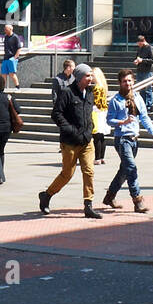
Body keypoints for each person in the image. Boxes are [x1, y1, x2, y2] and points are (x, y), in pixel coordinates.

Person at [39, 63, 100, 219]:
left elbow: (89, 114)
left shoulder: (90, 93)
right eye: (87, 76)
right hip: (70, 142)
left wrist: (90, 129)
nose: (91, 78)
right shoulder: (67, 93)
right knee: (67, 174)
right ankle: (47, 195)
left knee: (89, 171)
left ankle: (88, 205)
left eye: (91, 75)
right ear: (79, 77)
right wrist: (70, 130)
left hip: (86, 140)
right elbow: (56, 114)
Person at [103, 67, 153, 213]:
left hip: (134, 139)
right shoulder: (116, 100)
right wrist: (123, 122)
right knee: (132, 168)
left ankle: (110, 196)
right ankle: (137, 200)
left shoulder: (137, 98)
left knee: (124, 170)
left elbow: (144, 118)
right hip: (122, 140)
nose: (127, 84)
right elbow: (109, 120)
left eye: (129, 80)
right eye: (124, 81)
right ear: (119, 83)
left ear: (133, 81)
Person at [91, 66, 110, 165]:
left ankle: (97, 158)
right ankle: (102, 157)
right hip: (103, 111)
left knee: (97, 136)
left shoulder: (96, 88)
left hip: (97, 112)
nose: (91, 77)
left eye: (92, 75)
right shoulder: (103, 86)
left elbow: (96, 102)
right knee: (101, 136)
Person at [133, 34, 153, 107]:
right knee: (141, 89)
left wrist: (142, 60)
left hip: (147, 71)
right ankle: (143, 105)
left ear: (142, 42)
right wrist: (136, 61)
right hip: (140, 70)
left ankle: (149, 105)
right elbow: (137, 57)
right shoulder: (140, 48)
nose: (138, 45)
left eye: (139, 44)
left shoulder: (150, 48)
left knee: (148, 89)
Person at [1, 24, 23, 92]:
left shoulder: (15, 37)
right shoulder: (6, 37)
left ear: (10, 29)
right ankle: (2, 88)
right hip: (6, 57)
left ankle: (17, 87)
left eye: (6, 29)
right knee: (3, 73)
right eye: (5, 29)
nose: (5, 30)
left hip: (12, 58)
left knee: (12, 73)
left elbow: (19, 48)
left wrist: (15, 57)